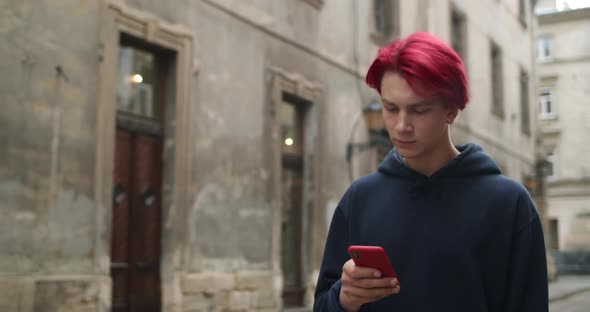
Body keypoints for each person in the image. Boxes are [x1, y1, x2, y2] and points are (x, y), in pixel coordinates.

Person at [313, 32, 548, 311]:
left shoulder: (510, 204)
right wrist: (343, 299)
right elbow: (323, 306)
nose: (401, 126)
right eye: (390, 108)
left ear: (451, 110)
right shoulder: (359, 199)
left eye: (418, 110)